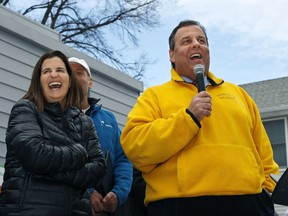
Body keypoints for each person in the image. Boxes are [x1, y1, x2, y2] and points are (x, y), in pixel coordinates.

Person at [120, 20, 280, 216]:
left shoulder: (239, 94)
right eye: (186, 41)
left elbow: (262, 150)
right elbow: (135, 146)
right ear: (172, 55)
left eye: (201, 40)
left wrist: (269, 189)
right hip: (180, 205)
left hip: (249, 202)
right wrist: (188, 119)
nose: (196, 44)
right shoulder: (154, 96)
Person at [0, 50, 106, 216]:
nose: (53, 75)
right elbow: (35, 154)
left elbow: (98, 168)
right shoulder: (25, 109)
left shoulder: (85, 121)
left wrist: (47, 169)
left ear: (70, 81)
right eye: (46, 71)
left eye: (60, 70)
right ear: (39, 81)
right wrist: (78, 153)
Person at [69, 57, 133, 216]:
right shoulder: (55, 116)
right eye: (69, 73)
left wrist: (119, 194)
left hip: (106, 209)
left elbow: (123, 159)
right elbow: (58, 160)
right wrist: (87, 191)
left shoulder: (108, 118)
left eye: (79, 73)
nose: (74, 78)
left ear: (90, 82)